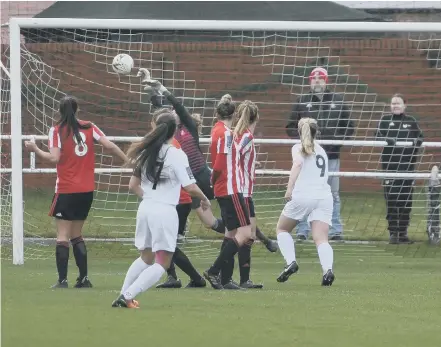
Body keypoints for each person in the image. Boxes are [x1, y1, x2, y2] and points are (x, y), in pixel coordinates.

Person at [137, 68, 276, 289]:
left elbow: (178, 108)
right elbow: (160, 114)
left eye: (175, 112)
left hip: (203, 179)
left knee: (235, 217)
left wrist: (162, 89)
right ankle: (181, 275)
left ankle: (250, 245)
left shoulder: (189, 127)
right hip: (186, 186)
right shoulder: (167, 132)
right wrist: (153, 91)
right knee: (200, 228)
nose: (173, 113)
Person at [24, 95, 127, 289]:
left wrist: (35, 149)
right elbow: (110, 145)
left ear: (59, 111)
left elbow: (54, 158)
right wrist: (127, 161)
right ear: (77, 109)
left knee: (62, 235)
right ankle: (84, 279)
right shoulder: (89, 127)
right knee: (77, 234)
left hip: (66, 189)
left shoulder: (56, 130)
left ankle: (62, 281)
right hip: (86, 190)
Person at [112, 111, 210, 308]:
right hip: (164, 211)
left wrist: (150, 198)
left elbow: (133, 185)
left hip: (145, 208)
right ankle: (128, 296)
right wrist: (205, 198)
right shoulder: (176, 154)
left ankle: (123, 294)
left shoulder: (145, 151)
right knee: (162, 262)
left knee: (146, 257)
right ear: (175, 130)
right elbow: (190, 186)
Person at [286, 67, 354, 241]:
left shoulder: (338, 101)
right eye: (313, 78)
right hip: (307, 157)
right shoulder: (302, 101)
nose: (317, 81)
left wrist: (337, 142)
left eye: (320, 78)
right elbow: (290, 127)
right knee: (303, 193)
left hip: (331, 156)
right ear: (310, 81)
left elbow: (349, 126)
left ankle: (335, 230)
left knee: (333, 193)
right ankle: (302, 230)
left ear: (326, 80)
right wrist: (303, 142)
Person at [202, 94, 254, 290]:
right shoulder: (227, 134)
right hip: (231, 188)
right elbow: (220, 163)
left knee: (230, 232)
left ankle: (224, 279)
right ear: (234, 114)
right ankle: (214, 270)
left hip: (225, 188)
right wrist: (213, 180)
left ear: (217, 113)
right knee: (245, 233)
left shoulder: (215, 130)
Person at [276, 118, 335, 286]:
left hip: (304, 195)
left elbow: (297, 164)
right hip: (324, 197)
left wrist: (289, 188)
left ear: (299, 131)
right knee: (321, 238)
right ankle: (328, 270)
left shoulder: (298, 148)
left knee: (282, 228)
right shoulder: (322, 150)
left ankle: (291, 262)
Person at [376, 94, 423, 244]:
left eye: (398, 103)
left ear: (404, 105)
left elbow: (420, 138)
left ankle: (403, 233)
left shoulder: (411, 122)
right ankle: (393, 233)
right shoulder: (385, 121)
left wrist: (417, 141)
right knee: (391, 199)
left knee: (405, 200)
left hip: (407, 168)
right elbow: (376, 137)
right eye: (393, 103)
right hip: (390, 168)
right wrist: (386, 140)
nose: (395, 105)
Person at [232, 100, 265, 289]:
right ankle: (220, 269)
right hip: (242, 191)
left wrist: (251, 164)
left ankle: (244, 279)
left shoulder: (240, 134)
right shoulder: (246, 137)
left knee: (248, 235)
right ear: (256, 117)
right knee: (244, 235)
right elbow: (235, 155)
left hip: (244, 191)